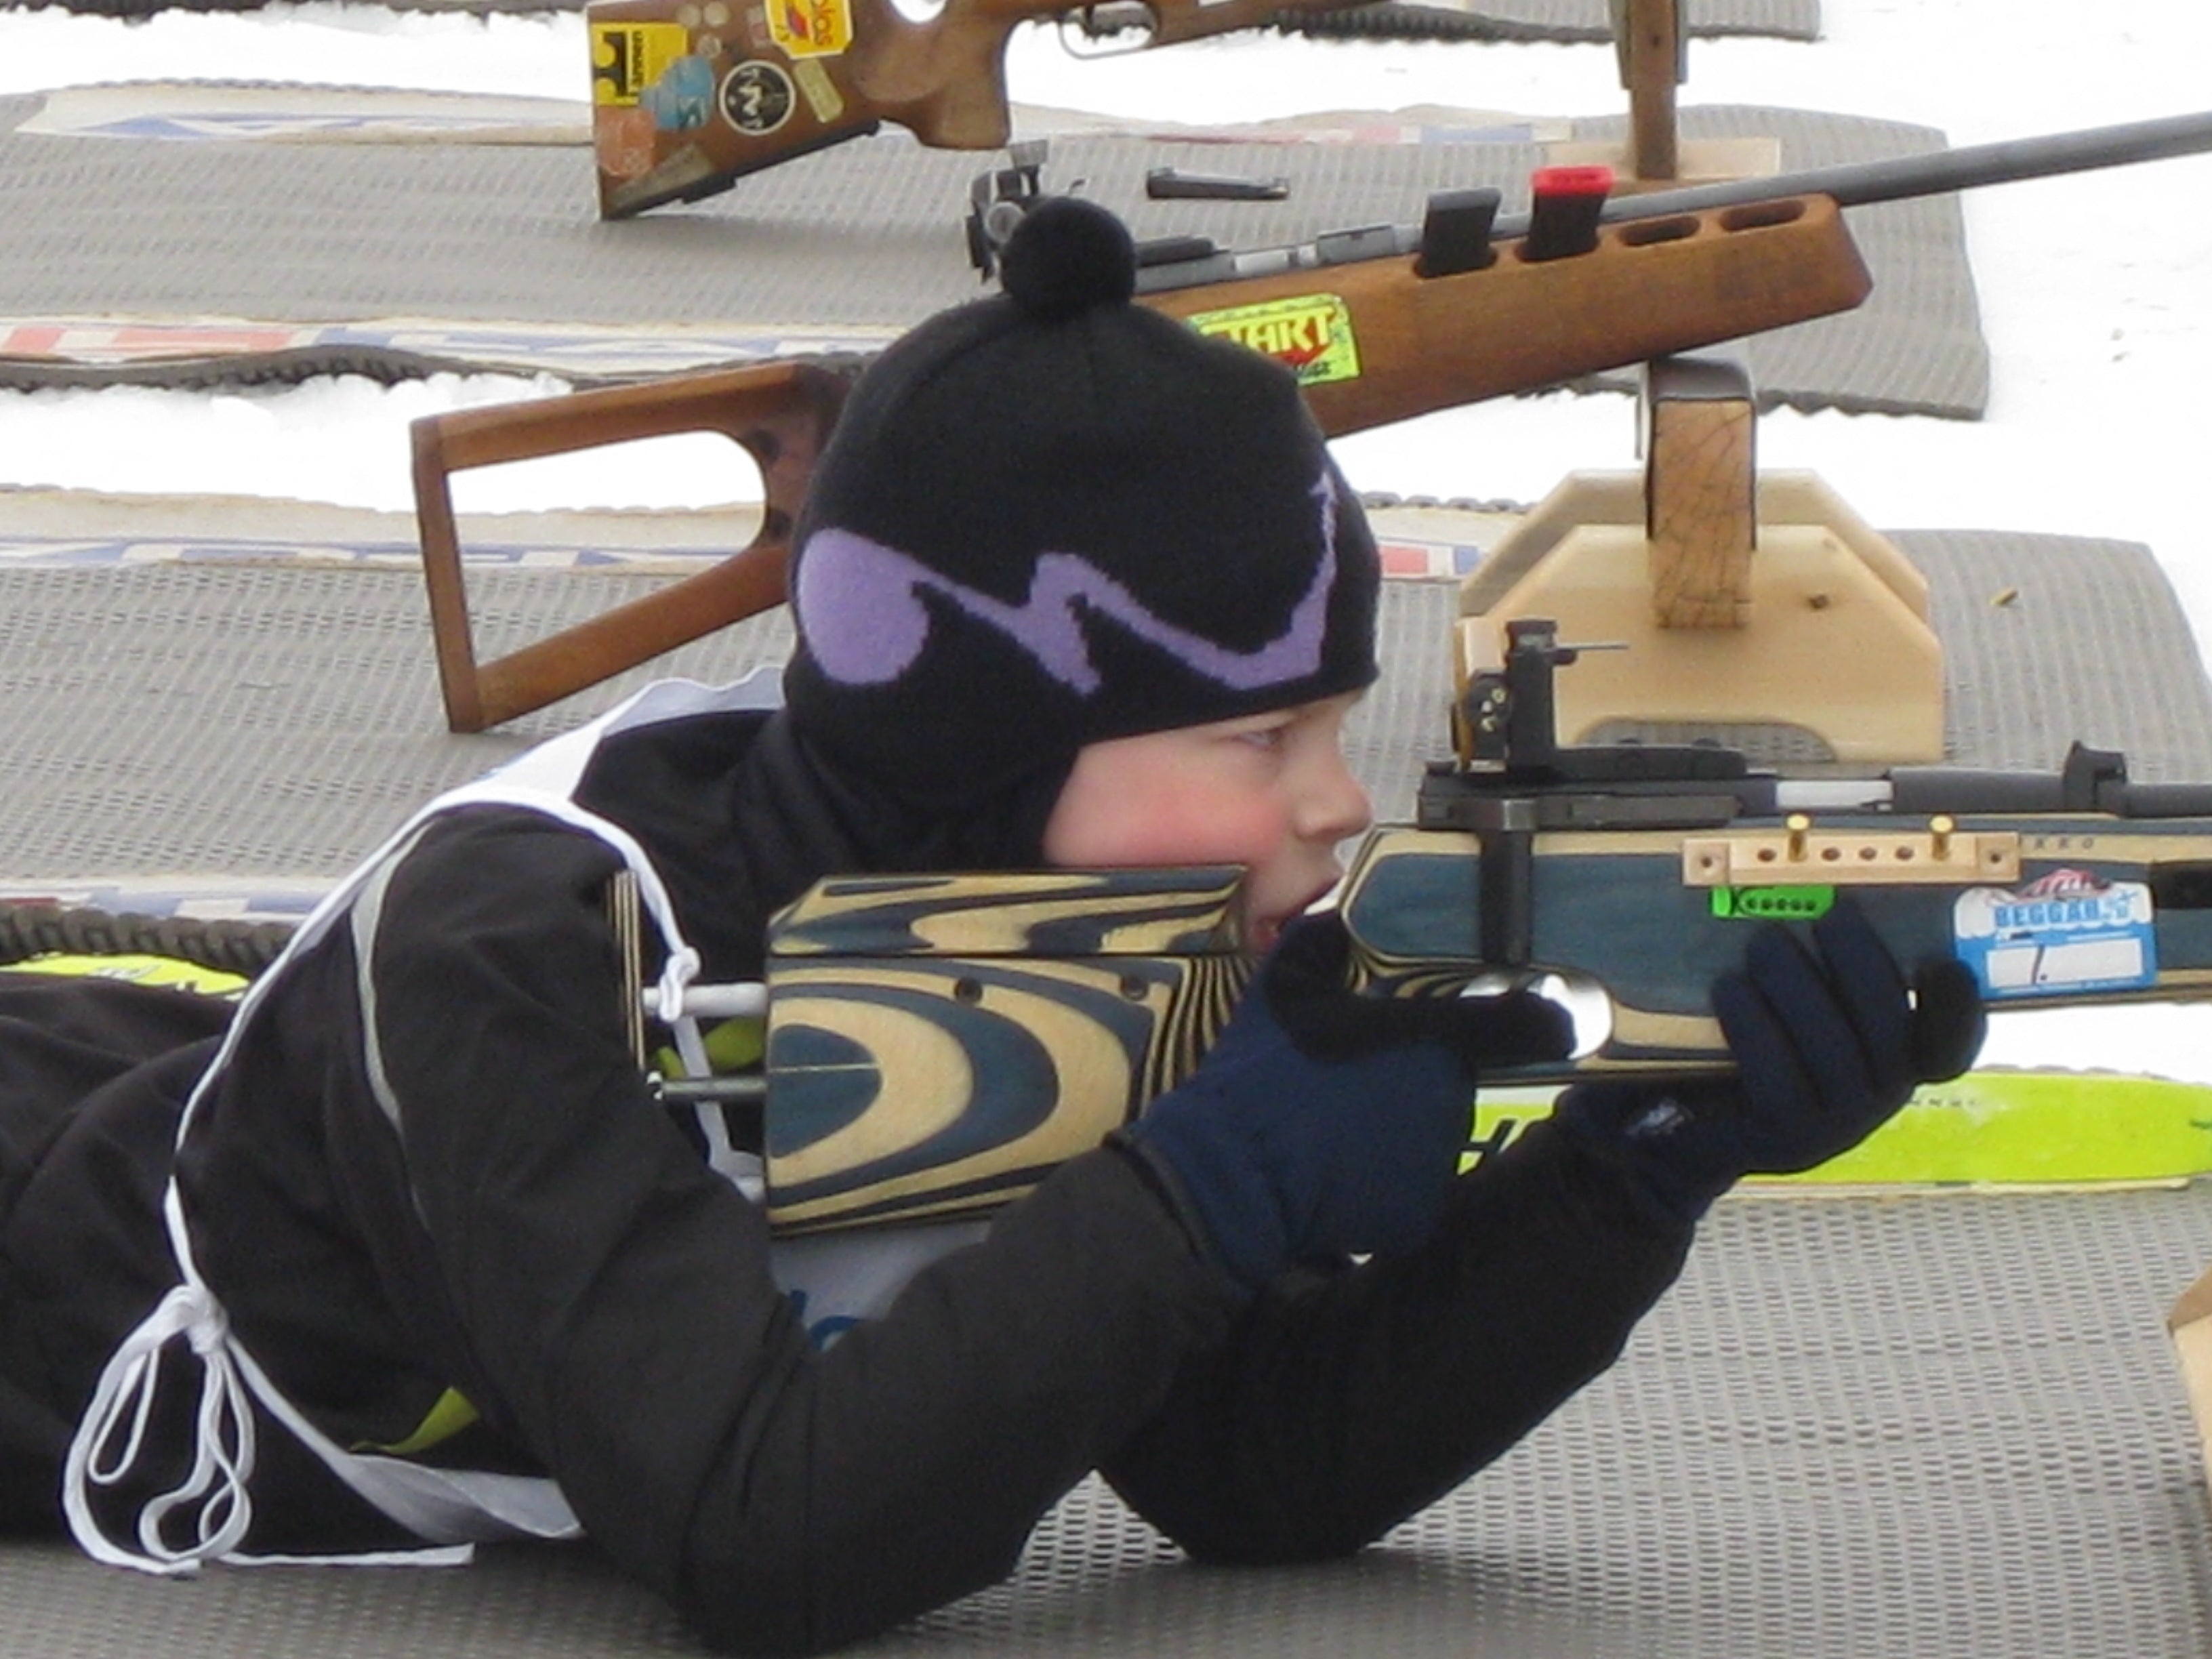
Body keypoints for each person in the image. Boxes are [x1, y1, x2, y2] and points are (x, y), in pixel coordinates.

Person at [0, 197, 1983, 1654]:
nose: (1336, 804)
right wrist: (1211, 1187)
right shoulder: (512, 944)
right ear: (990, 742)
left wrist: (1631, 1170)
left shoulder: (1073, 962)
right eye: (1260, 738)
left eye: (1334, 726)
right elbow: (761, 1534)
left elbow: (1252, 1468)